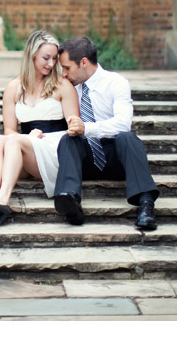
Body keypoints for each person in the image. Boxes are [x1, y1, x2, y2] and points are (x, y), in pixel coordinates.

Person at [0, 30, 79, 227]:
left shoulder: (62, 85)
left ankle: (3, 200)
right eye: (45, 58)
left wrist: (35, 138)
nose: (51, 64)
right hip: (26, 148)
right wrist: (29, 139)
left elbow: (73, 128)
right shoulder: (14, 87)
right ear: (31, 55)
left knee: (14, 140)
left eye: (54, 59)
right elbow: (9, 129)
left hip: (54, 151)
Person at [53, 36, 159, 229]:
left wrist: (88, 128)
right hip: (84, 160)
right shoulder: (68, 88)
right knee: (68, 140)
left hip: (114, 158)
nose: (64, 73)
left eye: (67, 67)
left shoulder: (116, 83)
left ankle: (146, 205)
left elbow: (123, 124)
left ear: (83, 62)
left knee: (128, 137)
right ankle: (70, 202)